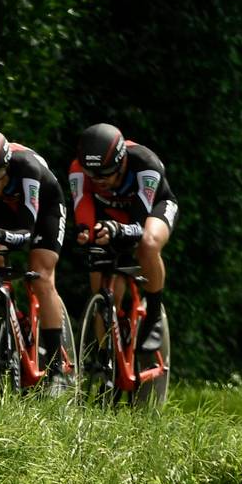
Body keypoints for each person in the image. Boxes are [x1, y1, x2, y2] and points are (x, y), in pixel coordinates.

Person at [0, 128, 70, 376]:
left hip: (44, 208)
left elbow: (27, 232)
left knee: (41, 274)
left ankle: (57, 370)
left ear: (7, 165)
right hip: (3, 208)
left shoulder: (26, 166)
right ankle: (8, 312)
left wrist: (3, 236)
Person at [69, 123, 176, 352]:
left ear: (122, 161)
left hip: (151, 209)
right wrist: (86, 232)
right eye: (92, 174)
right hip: (111, 215)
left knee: (148, 244)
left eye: (106, 173)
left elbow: (138, 226)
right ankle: (108, 360)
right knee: (103, 290)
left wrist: (118, 231)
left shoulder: (146, 164)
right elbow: (83, 212)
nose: (99, 180)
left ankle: (154, 314)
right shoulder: (78, 169)